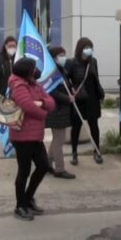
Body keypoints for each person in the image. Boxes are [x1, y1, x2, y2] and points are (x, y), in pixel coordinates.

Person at [8, 57, 55, 221]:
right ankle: (20, 206)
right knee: (24, 171)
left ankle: (28, 199)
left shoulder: (34, 83)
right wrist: (43, 113)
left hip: (35, 135)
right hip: (22, 135)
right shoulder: (18, 85)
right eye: (34, 68)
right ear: (27, 71)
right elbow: (27, 106)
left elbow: (51, 101)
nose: (36, 71)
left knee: (43, 166)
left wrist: (41, 103)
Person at [68, 37, 105, 166]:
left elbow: (96, 78)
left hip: (93, 98)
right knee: (76, 127)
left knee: (94, 125)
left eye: (90, 47)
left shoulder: (93, 61)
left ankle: (97, 151)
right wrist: (70, 89)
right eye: (86, 47)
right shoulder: (72, 63)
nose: (89, 50)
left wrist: (101, 92)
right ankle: (74, 153)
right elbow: (66, 79)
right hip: (79, 99)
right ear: (80, 49)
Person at [44, 46, 76, 179]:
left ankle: (47, 164)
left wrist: (71, 89)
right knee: (59, 140)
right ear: (54, 57)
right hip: (56, 109)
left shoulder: (61, 70)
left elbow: (64, 85)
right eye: (60, 55)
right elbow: (51, 91)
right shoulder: (52, 72)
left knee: (57, 139)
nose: (63, 57)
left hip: (61, 109)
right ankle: (59, 169)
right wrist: (67, 98)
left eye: (64, 54)